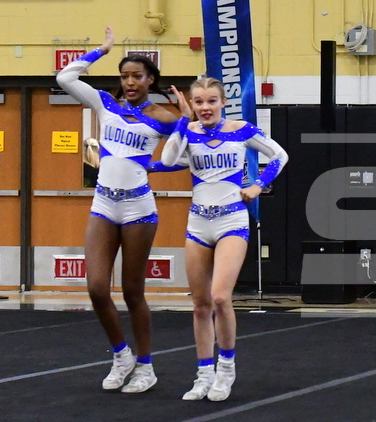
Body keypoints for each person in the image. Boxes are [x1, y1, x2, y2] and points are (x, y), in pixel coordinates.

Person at [57, 27, 182, 394]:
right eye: (125, 76)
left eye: (137, 76)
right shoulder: (104, 104)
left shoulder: (164, 116)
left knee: (132, 292)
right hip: (103, 203)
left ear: (150, 79)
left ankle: (146, 366)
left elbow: (186, 155)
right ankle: (121, 355)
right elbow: (65, 78)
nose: (129, 82)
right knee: (97, 288)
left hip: (138, 208)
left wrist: (152, 166)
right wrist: (101, 50)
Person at [161, 78, 289, 401]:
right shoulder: (189, 131)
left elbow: (279, 155)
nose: (205, 108)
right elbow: (168, 161)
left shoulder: (241, 129)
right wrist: (183, 119)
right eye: (199, 102)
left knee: (220, 297)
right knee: (200, 304)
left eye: (211, 101)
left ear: (223, 102)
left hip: (231, 219)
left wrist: (258, 185)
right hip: (198, 222)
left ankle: (226, 367)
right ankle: (204, 373)